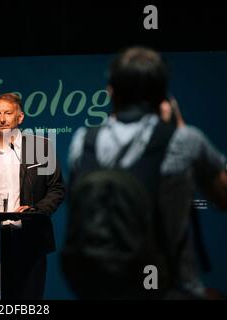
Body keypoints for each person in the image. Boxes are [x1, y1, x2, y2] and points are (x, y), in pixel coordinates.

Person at [64, 47, 227, 299]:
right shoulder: (184, 140)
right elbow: (223, 197)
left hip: (98, 291)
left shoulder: (82, 142)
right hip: (171, 290)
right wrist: (179, 126)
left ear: (111, 92)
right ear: (163, 96)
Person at [0, 92, 66, 300]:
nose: (2, 119)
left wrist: (36, 210)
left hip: (30, 237)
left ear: (20, 117)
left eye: (8, 113)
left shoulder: (41, 147)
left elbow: (56, 189)